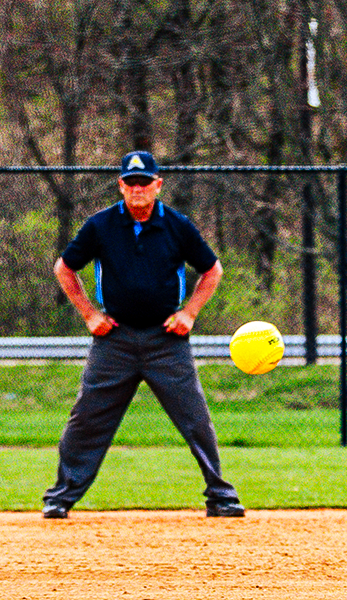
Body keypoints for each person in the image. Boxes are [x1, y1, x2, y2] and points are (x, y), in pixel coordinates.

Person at [41, 151, 246, 519]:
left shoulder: (176, 225)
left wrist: (190, 312)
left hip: (165, 340)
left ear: (157, 185)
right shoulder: (101, 225)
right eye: (131, 183)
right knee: (87, 418)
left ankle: (221, 495)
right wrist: (90, 315)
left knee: (195, 417)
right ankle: (60, 497)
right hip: (114, 340)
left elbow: (212, 270)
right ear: (121, 185)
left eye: (144, 182)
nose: (138, 189)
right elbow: (65, 268)